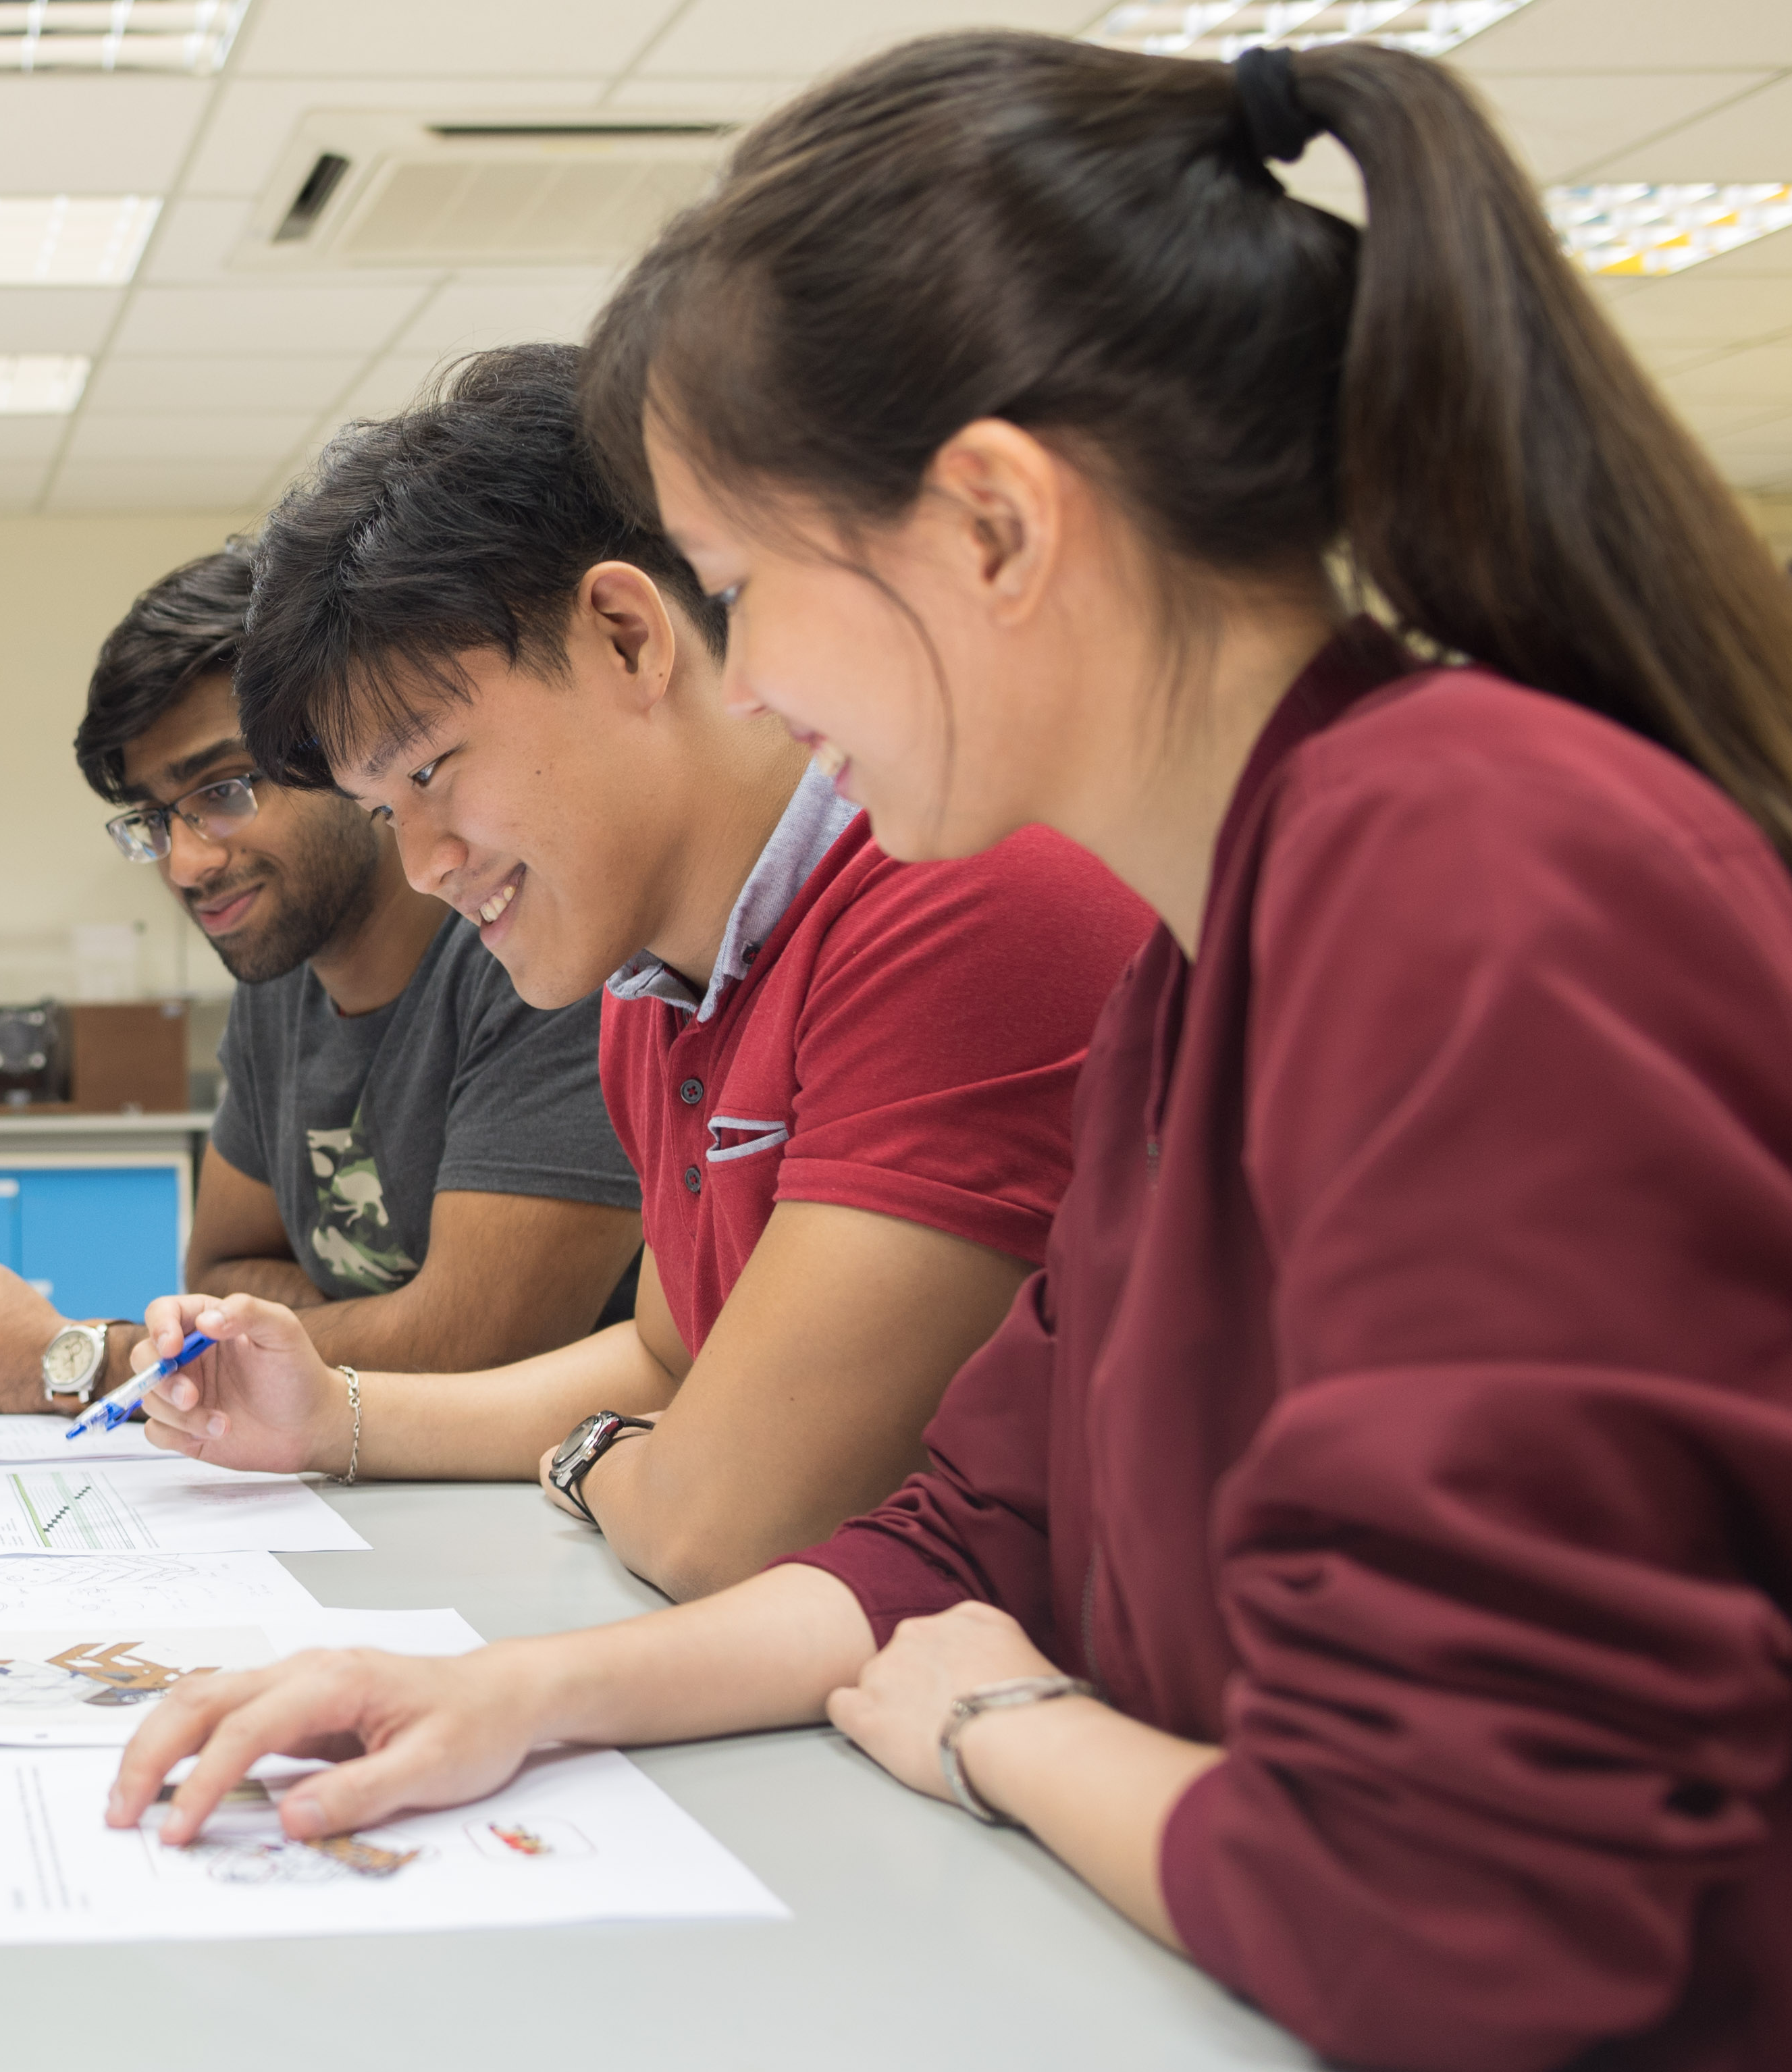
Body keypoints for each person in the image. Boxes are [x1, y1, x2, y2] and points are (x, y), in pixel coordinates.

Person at [109, 32, 1792, 2072]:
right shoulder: (1216, 945)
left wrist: (1010, 1727)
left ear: (997, 528)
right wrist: (526, 1691)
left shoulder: (1476, 876)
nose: (738, 681)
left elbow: (1430, 1903)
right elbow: (968, 1515)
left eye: (731, 582)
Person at [138, 346, 1153, 1597]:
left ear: (626, 635)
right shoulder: (653, 985)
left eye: (433, 772)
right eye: (382, 808)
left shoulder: (958, 891)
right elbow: (674, 1365)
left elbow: (720, 1523)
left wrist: (600, 1465)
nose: (424, 865)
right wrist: (331, 1418)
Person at [0, 543, 641, 1416]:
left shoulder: (538, 961)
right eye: (158, 821)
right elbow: (218, 1273)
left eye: (225, 791)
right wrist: (380, 1325)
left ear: (350, 754)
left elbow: (475, 1345)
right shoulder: (278, 985)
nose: (188, 864)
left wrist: (84, 1357)